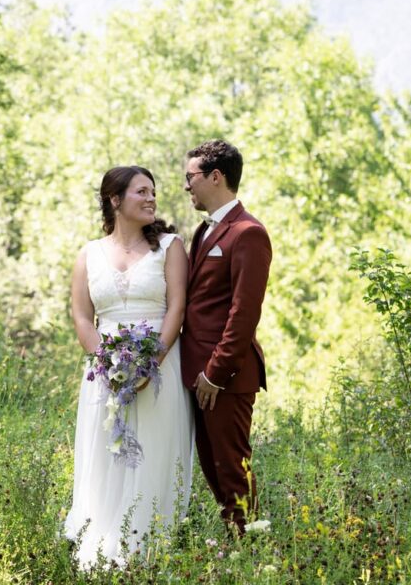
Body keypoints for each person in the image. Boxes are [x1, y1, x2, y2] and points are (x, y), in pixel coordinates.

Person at [64, 165, 194, 568]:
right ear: (115, 200)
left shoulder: (170, 248)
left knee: (154, 451)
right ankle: (102, 546)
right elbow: (83, 316)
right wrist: (105, 361)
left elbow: (177, 308)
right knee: (106, 453)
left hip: (160, 367)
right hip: (105, 372)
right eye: (141, 191)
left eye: (153, 191)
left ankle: (149, 546)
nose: (151, 198)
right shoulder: (89, 254)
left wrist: (151, 362)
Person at [179, 139, 272, 533]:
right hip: (196, 373)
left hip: (226, 377)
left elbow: (243, 313)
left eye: (191, 177)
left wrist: (216, 373)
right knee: (212, 468)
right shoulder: (202, 232)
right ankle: (237, 543)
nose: (187, 186)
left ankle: (250, 547)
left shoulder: (248, 233)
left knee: (232, 468)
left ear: (216, 177)